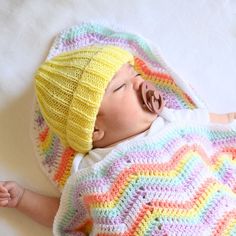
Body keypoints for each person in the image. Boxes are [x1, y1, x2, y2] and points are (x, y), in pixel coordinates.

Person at [0, 45, 236, 235]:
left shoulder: (175, 122)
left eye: (137, 74)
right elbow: (64, 214)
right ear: (94, 130)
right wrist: (22, 199)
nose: (139, 84)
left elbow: (222, 121)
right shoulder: (89, 172)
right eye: (121, 86)